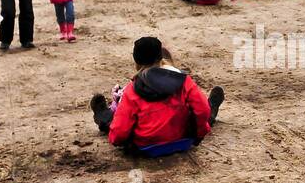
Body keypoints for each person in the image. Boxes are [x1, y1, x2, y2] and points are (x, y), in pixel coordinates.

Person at [92, 36, 224, 151]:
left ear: (136, 62)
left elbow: (120, 132)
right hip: (182, 140)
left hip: (145, 146)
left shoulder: (132, 90)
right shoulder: (183, 80)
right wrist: (199, 133)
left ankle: (103, 114)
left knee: (112, 122)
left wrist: (116, 140)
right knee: (202, 116)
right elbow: (202, 110)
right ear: (161, 57)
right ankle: (212, 108)